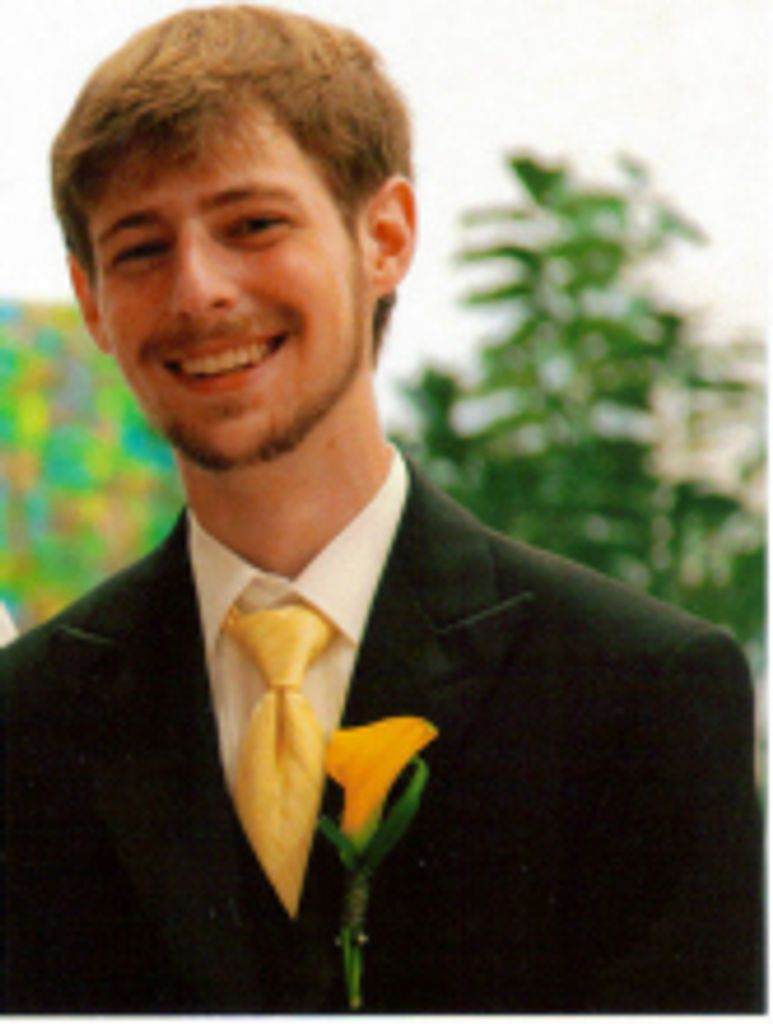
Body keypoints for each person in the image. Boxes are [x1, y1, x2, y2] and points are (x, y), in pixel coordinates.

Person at [0, 5, 762, 1014]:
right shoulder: (22, 723)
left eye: (252, 225)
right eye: (140, 248)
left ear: (385, 237)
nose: (198, 289)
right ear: (91, 300)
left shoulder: (636, 693)